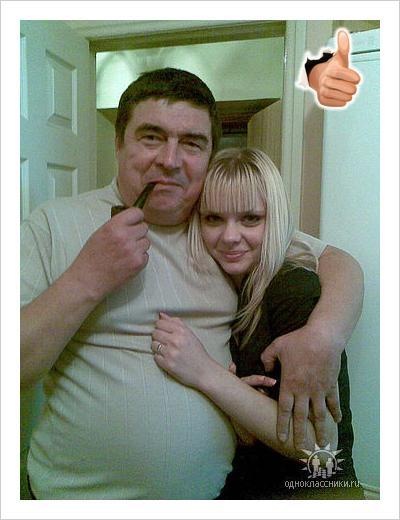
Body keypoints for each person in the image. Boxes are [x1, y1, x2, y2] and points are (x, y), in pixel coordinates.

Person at [21, 68, 363, 499]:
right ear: (119, 143)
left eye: (192, 143)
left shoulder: (218, 224)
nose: (170, 160)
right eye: (151, 137)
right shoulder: (53, 223)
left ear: (209, 156)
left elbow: (339, 262)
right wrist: (87, 277)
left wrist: (324, 335)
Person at [151, 147, 364, 499]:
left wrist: (205, 372)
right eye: (214, 219)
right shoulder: (232, 288)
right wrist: (241, 415)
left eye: (250, 218)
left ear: (274, 220)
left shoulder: (292, 288)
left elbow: (320, 446)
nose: (230, 236)